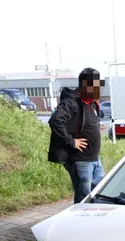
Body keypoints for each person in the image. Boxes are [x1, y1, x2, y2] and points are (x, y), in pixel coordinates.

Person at [48, 68, 105, 203]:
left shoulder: (92, 103)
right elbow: (55, 121)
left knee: (98, 193)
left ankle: (92, 221)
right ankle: (80, 222)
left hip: (95, 159)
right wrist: (71, 142)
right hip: (81, 160)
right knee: (83, 198)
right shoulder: (70, 102)